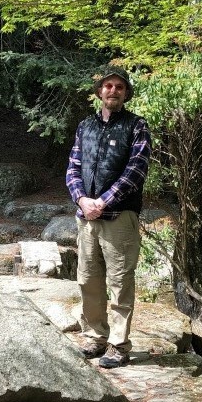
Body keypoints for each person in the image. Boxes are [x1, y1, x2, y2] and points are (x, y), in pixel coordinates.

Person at [65, 66, 151, 368]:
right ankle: (94, 336)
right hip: (86, 217)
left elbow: (135, 171)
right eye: (108, 86)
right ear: (100, 91)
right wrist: (81, 199)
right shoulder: (85, 126)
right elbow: (73, 166)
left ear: (126, 93)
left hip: (119, 217)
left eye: (119, 87)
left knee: (120, 281)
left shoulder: (136, 126)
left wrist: (103, 201)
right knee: (88, 279)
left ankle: (118, 344)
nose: (113, 91)